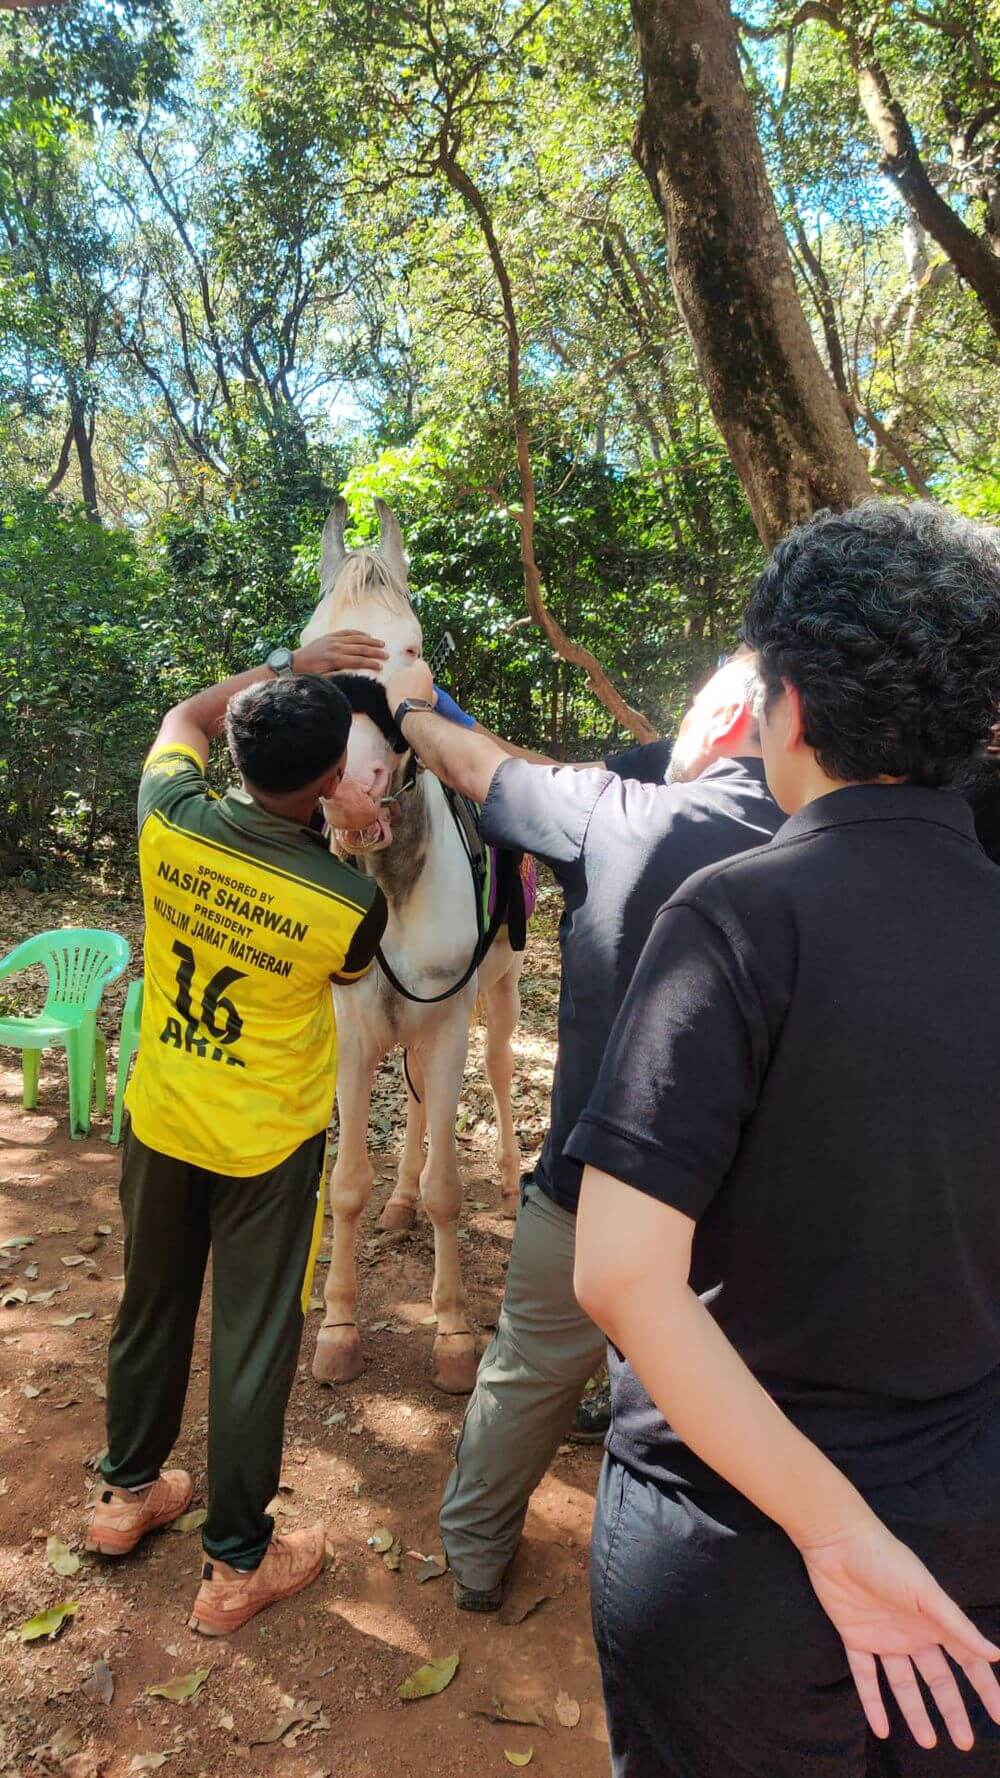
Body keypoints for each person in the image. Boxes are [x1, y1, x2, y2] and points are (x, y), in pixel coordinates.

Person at [567, 500, 1000, 1776]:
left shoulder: (736, 914)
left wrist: (838, 1537)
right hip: (969, 1551)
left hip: (735, 1560)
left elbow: (620, 1273)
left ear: (788, 705)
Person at [383, 649, 784, 1610]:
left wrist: (411, 714)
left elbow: (493, 776)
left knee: (525, 1371)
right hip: (758, 1210)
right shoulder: (845, 837)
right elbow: (526, 766)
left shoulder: (618, 818)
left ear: (730, 708)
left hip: (596, 1187)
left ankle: (475, 1553)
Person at [86, 631, 390, 1638]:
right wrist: (347, 832)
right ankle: (235, 1562)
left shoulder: (166, 817)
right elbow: (344, 976)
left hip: (162, 1109)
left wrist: (277, 668)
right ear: (332, 778)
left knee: (151, 1304)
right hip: (266, 1143)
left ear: (241, 749)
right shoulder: (348, 902)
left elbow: (183, 718)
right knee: (254, 1344)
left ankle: (127, 1494)